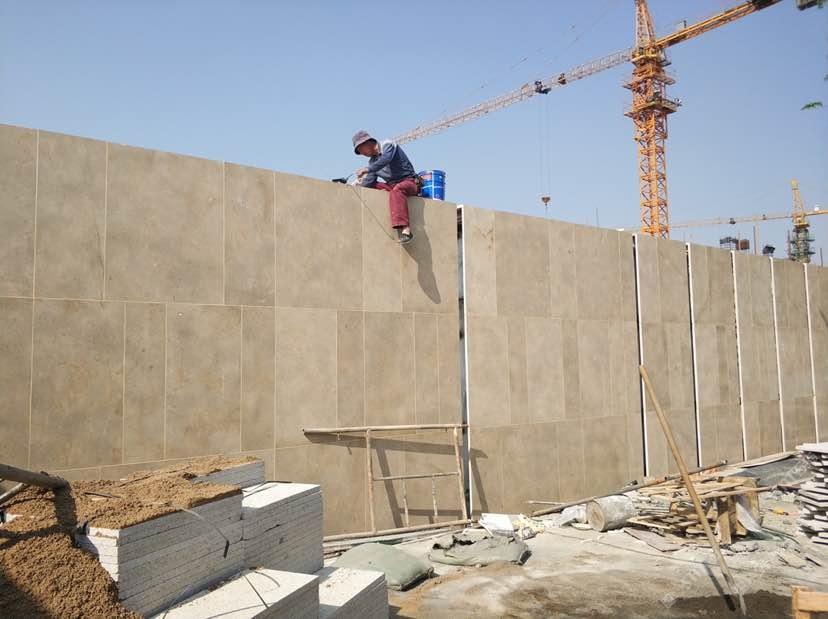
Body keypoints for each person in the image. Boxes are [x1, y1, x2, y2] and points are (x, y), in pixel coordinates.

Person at [352, 130, 419, 244]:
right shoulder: (372, 162)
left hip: (410, 182)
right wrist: (356, 186)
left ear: (368, 143)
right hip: (392, 186)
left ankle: (406, 231)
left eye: (362, 150)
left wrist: (367, 169)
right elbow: (369, 182)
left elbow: (386, 159)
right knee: (372, 185)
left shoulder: (387, 145)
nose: (362, 154)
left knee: (398, 189)